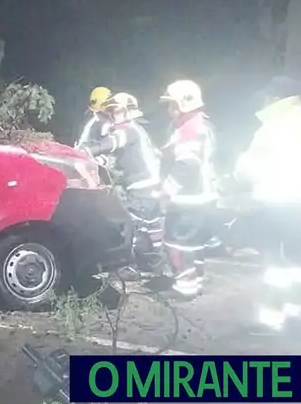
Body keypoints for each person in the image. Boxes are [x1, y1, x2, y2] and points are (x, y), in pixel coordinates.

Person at [234, 76, 301, 288]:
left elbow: (249, 167)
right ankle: (296, 308)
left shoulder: (270, 128)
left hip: (275, 202)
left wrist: (239, 173)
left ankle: (274, 313)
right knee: (299, 258)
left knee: (274, 261)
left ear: (275, 98)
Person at [79, 92, 165, 274]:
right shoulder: (136, 130)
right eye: (110, 111)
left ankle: (129, 268)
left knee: (129, 225)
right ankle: (155, 264)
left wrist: (86, 151)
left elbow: (111, 143)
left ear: (127, 112)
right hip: (150, 185)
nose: (112, 115)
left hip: (142, 186)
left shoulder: (127, 130)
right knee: (151, 225)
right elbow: (114, 158)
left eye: (116, 111)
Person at [159, 79, 218, 298]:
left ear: (182, 105)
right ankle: (196, 281)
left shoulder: (189, 129)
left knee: (177, 243)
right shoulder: (203, 124)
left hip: (188, 200)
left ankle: (184, 288)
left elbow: (187, 163)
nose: (169, 111)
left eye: (171, 105)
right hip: (204, 199)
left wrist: (166, 190)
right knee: (195, 244)